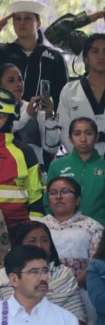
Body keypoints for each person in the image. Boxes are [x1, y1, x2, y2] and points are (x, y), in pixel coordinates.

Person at [45, 117, 105, 225]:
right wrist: (55, 226)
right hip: (64, 230)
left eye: (89, 133)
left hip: (101, 229)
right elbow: (47, 201)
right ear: (70, 138)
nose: (83, 139)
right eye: (77, 134)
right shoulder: (57, 166)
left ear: (97, 137)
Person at [0, 0, 69, 111]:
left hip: (44, 119)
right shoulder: (3, 52)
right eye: (17, 19)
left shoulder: (55, 57)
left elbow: (64, 99)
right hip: (6, 118)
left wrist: (52, 111)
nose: (22, 22)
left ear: (38, 24)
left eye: (27, 18)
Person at [40, 176, 104, 287]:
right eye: (53, 193)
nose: (58, 197)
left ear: (77, 199)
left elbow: (97, 262)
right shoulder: (40, 226)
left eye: (65, 191)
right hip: (43, 290)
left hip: (81, 290)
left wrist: (73, 286)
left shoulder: (92, 227)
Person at [0, 87, 45, 226]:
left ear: (10, 117)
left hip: (19, 228)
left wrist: (33, 232)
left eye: (1, 115)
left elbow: (35, 198)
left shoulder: (25, 152)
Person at [0, 61, 59, 160]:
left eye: (20, 79)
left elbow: (52, 148)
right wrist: (27, 115)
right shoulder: (28, 110)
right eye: (11, 80)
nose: (18, 84)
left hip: (35, 166)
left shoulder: (36, 108)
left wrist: (49, 116)